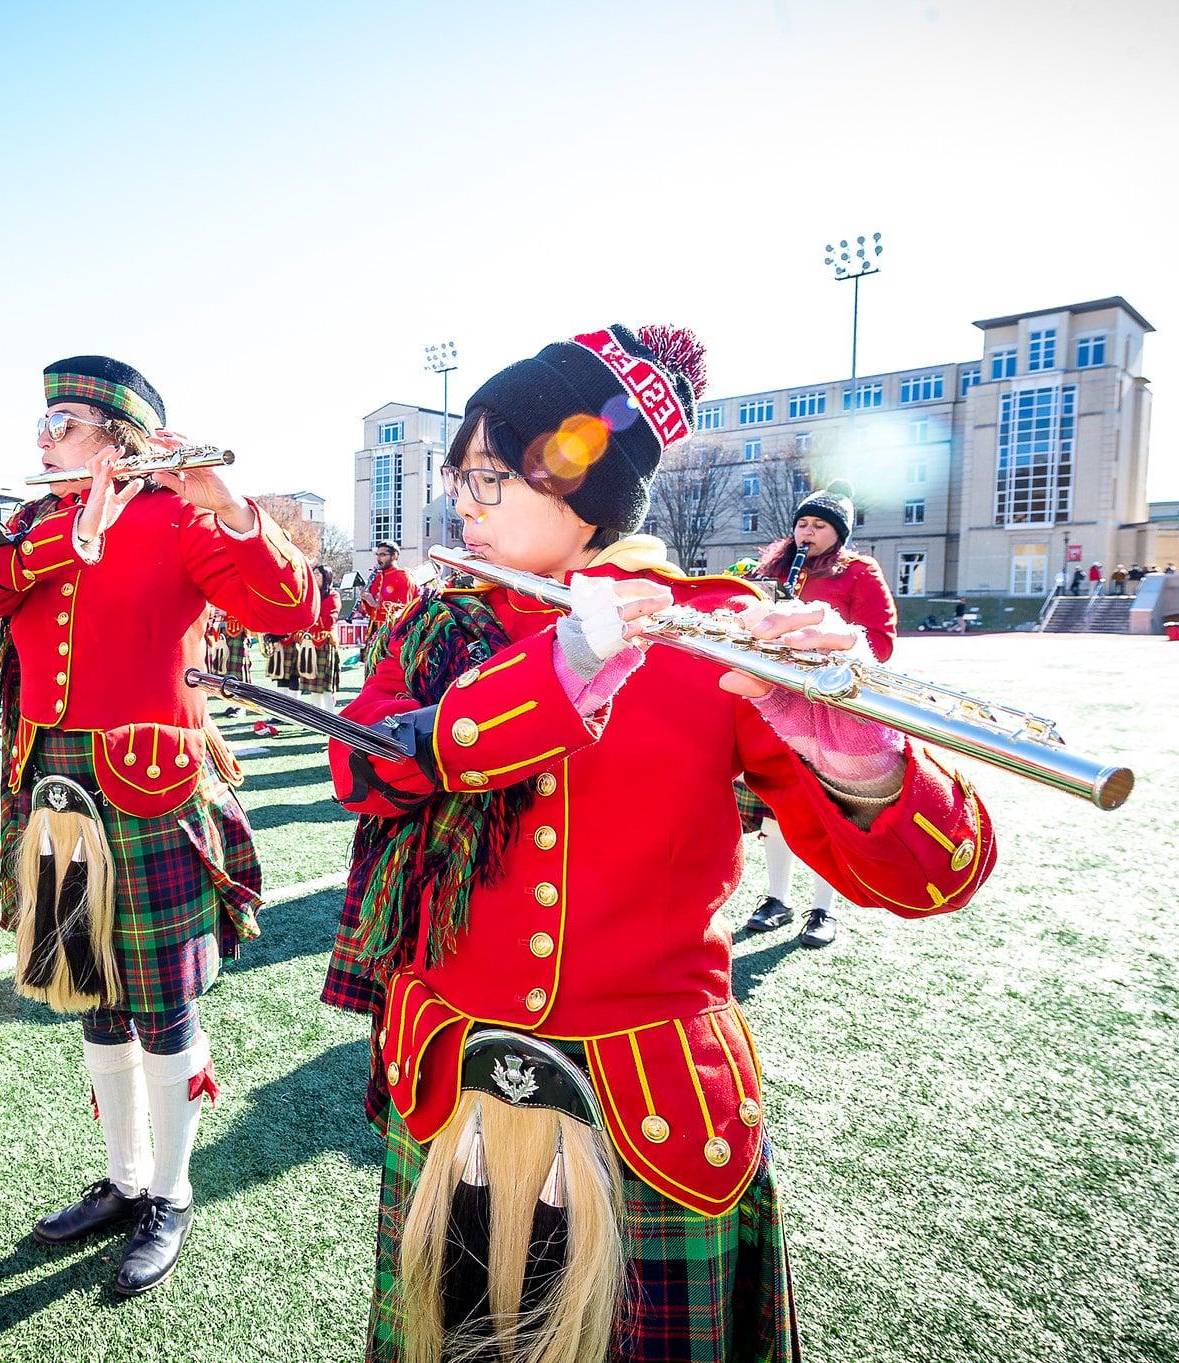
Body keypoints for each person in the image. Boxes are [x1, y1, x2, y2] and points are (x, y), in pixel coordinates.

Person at [320, 322, 997, 1363]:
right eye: (459, 476)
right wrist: (554, 669)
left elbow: (923, 883)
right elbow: (364, 766)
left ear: (579, 483)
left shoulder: (713, 627)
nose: (462, 499)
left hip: (650, 1113)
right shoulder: (437, 627)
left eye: (491, 475)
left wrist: (865, 764)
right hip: (450, 1087)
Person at [0, 355, 315, 1296]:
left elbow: (294, 607)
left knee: (163, 1004)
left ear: (121, 439)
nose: (44, 437)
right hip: (56, 788)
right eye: (44, 421)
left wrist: (223, 498)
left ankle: (172, 1190)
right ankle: (123, 1179)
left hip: (150, 790)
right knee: (96, 992)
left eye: (65, 422)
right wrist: (69, 534)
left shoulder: (175, 517)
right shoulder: (35, 526)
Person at [736, 483, 898, 948]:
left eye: (819, 526)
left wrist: (826, 639)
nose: (807, 532)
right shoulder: (775, 567)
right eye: (802, 523)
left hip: (824, 708)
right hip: (773, 704)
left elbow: (880, 643)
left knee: (823, 811)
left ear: (839, 533)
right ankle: (776, 899)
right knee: (777, 807)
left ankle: (823, 908)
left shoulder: (859, 572)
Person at [294, 565, 343, 712]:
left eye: (318, 574)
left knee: (325, 686)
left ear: (326, 577)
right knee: (313, 685)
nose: (314, 577)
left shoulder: (333, 595)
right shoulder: (309, 595)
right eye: (313, 574)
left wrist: (310, 616)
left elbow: (328, 621)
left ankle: (330, 717)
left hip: (325, 642)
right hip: (309, 644)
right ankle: (317, 717)